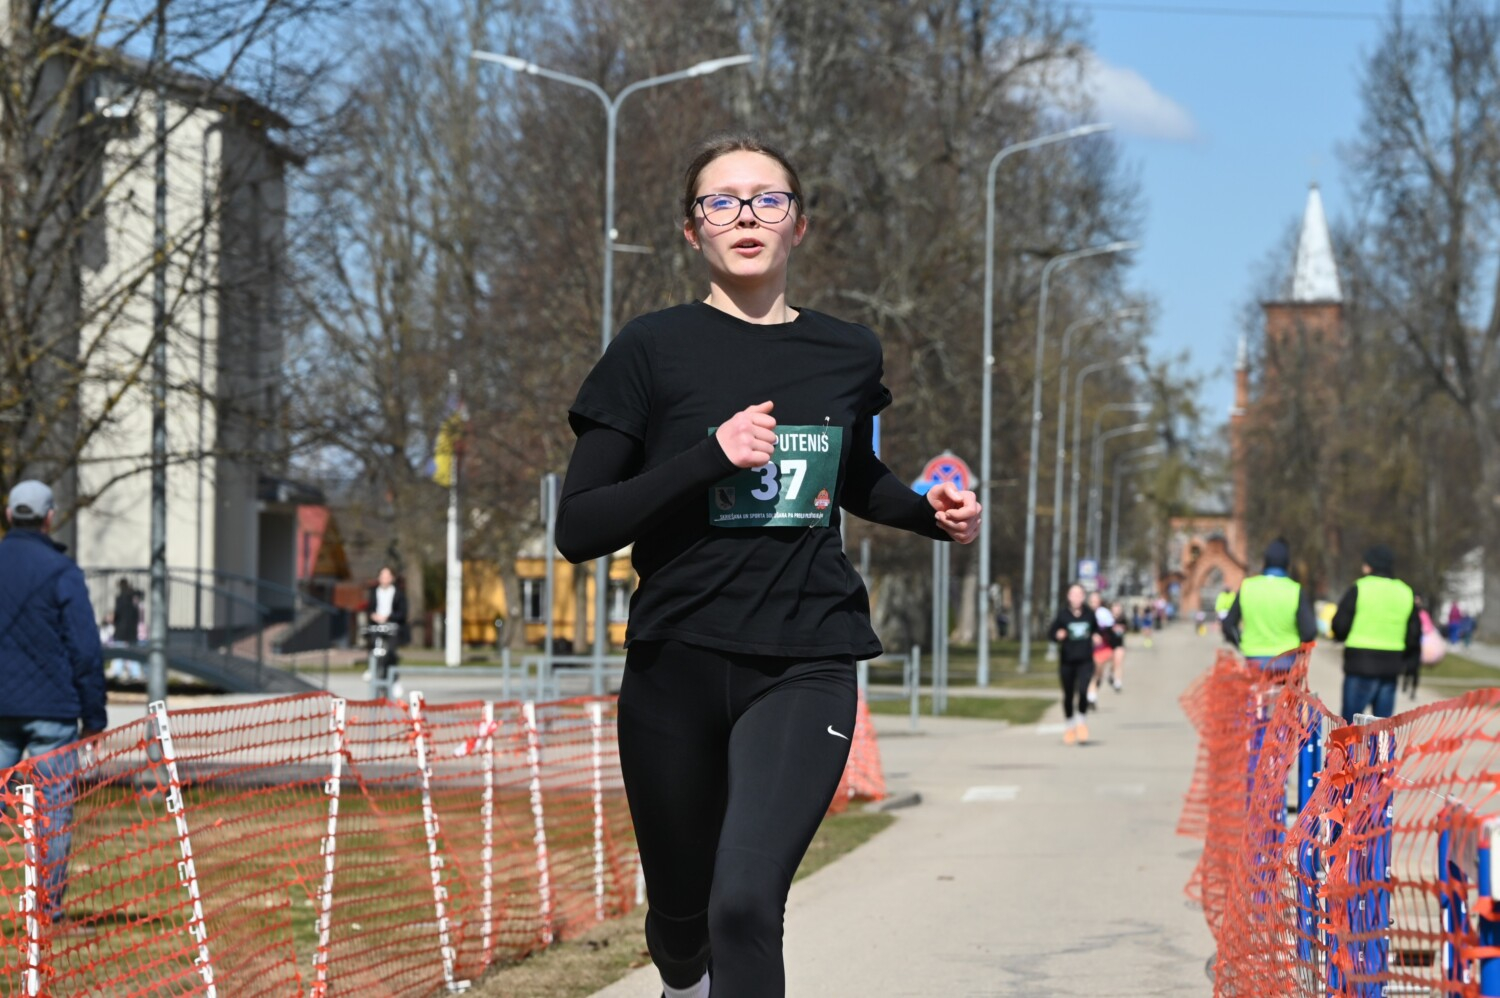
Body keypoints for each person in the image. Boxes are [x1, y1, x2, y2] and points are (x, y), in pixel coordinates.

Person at [554, 135, 980, 998]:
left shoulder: (846, 353)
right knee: (682, 922)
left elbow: (849, 474)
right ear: (691, 231)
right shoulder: (651, 350)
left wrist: (928, 514)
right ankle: (682, 979)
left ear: (800, 226)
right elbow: (580, 526)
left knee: (744, 904)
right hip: (675, 659)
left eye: (767, 199)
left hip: (804, 658)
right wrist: (708, 455)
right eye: (722, 201)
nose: (746, 214)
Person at [0, 480, 107, 925]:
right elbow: (84, 650)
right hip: (53, 710)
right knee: (53, 811)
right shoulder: (62, 571)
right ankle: (48, 909)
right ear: (49, 518)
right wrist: (94, 716)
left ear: (9, 515)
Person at [1331, 544, 1420, 721]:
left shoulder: (1360, 588)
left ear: (1369, 566)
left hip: (1360, 664)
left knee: (1349, 730)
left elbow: (1340, 626)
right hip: (1390, 666)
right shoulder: (1405, 592)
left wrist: (1340, 636)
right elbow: (1414, 634)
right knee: (1381, 731)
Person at [1221, 538, 1317, 671]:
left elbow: (1228, 625)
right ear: (1287, 564)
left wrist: (1242, 643)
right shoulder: (1295, 590)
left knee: (1254, 691)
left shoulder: (1247, 587)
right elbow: (1309, 631)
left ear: (1264, 562)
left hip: (1253, 662)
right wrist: (1298, 649)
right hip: (1286, 665)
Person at [1049, 583, 1102, 745]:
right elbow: (1051, 633)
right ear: (1069, 596)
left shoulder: (1089, 614)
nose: (1077, 597)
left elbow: (1097, 630)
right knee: (1068, 695)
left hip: (1085, 660)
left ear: (1083, 597)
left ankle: (1081, 723)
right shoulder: (1063, 615)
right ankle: (1070, 726)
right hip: (1067, 661)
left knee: (1084, 691)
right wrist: (1058, 635)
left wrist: (1096, 636)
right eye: (1074, 594)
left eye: (1080, 594)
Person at [364, 566, 408, 695]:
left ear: (392, 578)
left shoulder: (398, 594)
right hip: (376, 625)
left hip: (392, 626)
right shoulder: (374, 592)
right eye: (382, 576)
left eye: (387, 576)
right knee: (373, 648)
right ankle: (372, 669)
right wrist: (373, 615)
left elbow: (402, 613)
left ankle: (394, 680)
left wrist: (388, 617)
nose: (384, 579)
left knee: (390, 653)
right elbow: (369, 608)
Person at [1108, 600, 1128, 691]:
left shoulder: (1123, 619)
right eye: (1115, 607)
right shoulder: (1107, 619)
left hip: (1119, 644)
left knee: (1119, 662)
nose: (1117, 609)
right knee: (1114, 663)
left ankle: (1118, 682)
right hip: (1109, 644)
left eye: (1119, 607)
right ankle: (1111, 674)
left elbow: (1127, 629)